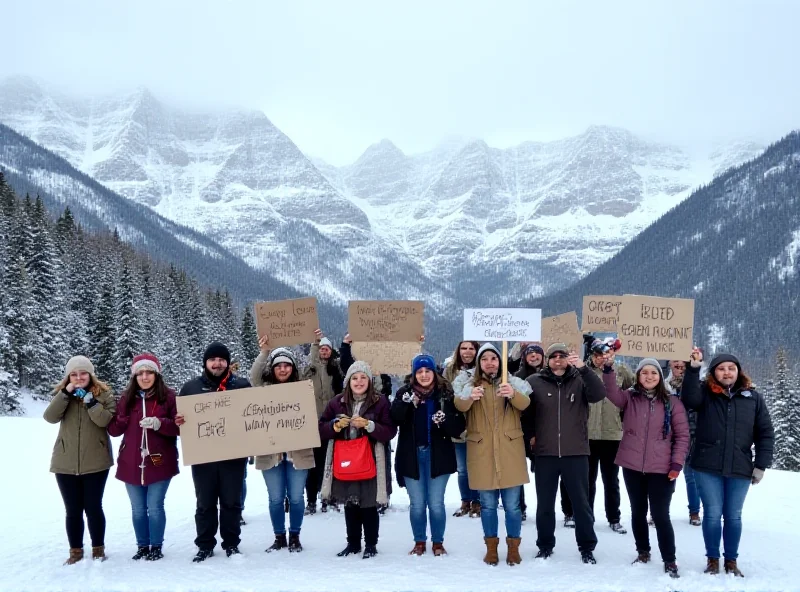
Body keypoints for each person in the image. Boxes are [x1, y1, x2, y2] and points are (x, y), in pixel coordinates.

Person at [681, 352, 774, 577]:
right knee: (712, 514)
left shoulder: (753, 398)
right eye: (721, 368)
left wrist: (761, 465)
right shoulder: (705, 393)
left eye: (731, 368)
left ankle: (731, 561)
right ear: (714, 372)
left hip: (740, 467)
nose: (727, 372)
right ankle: (713, 559)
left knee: (733, 515)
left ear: (738, 371)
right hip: (706, 466)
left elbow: (765, 433)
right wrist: (693, 369)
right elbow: (689, 399)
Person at [602, 357, 690, 578]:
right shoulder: (629, 398)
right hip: (632, 466)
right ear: (638, 376)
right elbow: (611, 393)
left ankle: (669, 559)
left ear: (660, 376)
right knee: (638, 513)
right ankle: (643, 551)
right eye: (644, 372)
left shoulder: (672, 402)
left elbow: (682, 436)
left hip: (662, 469)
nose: (649, 376)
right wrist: (608, 369)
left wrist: (676, 463)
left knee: (660, 515)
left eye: (653, 372)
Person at [525, 343, 607, 564]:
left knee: (581, 504)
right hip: (545, 453)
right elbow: (525, 413)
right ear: (547, 360)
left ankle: (587, 546)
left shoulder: (580, 380)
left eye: (562, 356)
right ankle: (544, 545)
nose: (558, 360)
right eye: (554, 356)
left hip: (576, 452)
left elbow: (599, 394)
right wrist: (530, 436)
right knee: (544, 505)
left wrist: (584, 368)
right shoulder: (534, 382)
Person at [453, 343, 532, 566]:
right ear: (479, 363)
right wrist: (470, 396)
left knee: (513, 506)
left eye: (494, 358)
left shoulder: (512, 383)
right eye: (485, 358)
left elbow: (525, 403)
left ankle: (513, 548)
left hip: (509, 450)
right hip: (482, 451)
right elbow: (459, 405)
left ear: (500, 362)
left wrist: (513, 394)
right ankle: (491, 548)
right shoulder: (469, 385)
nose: (490, 362)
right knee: (487, 505)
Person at [176, 342, 252, 562]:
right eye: (212, 360)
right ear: (205, 363)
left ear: (227, 362)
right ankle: (205, 544)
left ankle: (231, 543)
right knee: (205, 502)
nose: (217, 363)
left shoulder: (241, 385)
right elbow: (182, 424)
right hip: (203, 456)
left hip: (234, 455)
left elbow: (253, 418)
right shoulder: (190, 388)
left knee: (231, 502)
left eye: (221, 359)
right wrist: (180, 422)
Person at [319, 361, 397, 559]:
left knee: (369, 503)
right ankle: (353, 543)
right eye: (355, 378)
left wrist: (370, 425)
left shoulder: (380, 402)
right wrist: (334, 427)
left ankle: (371, 544)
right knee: (350, 502)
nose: (359, 381)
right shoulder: (336, 402)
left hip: (371, 459)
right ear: (348, 381)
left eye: (363, 377)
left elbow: (389, 431)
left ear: (369, 381)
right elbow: (321, 428)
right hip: (345, 459)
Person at [44, 355, 116, 564]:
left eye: (83, 373)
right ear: (68, 377)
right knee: (73, 510)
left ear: (90, 375)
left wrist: (91, 403)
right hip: (64, 463)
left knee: (93, 507)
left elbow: (105, 421)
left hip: (96, 461)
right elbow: (50, 417)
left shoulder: (104, 395)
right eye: (73, 374)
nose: (78, 377)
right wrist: (65, 395)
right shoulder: (62, 395)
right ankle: (75, 551)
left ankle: (98, 549)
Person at [107, 353, 179, 561]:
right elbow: (113, 431)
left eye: (149, 372)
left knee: (155, 506)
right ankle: (142, 546)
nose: (145, 377)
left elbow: (181, 428)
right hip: (131, 462)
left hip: (160, 461)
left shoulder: (169, 397)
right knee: (138, 509)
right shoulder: (126, 398)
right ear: (134, 376)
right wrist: (121, 418)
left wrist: (160, 423)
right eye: (140, 373)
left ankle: (156, 546)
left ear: (157, 375)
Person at [392, 354, 465, 556]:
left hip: (438, 455)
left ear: (434, 372)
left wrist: (444, 420)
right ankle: (419, 542)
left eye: (427, 371)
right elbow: (394, 419)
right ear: (414, 374)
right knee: (417, 504)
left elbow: (458, 427)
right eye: (419, 372)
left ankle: (438, 542)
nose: (424, 375)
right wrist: (406, 403)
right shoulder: (404, 393)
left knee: (435, 503)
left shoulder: (445, 394)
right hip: (411, 456)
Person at [250, 337, 315, 552]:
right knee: (276, 498)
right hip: (271, 454)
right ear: (273, 368)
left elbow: (313, 366)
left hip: (299, 454)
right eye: (279, 365)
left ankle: (295, 535)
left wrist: (314, 344)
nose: (283, 369)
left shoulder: (302, 388)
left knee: (296, 498)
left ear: (293, 368)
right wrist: (264, 352)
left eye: (287, 365)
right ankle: (279, 536)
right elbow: (254, 376)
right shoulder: (264, 388)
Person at [586, 338, 635, 534]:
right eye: (598, 355)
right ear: (592, 356)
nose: (602, 359)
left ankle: (614, 517)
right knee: (588, 480)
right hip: (587, 433)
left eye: (606, 354)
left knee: (611, 480)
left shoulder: (621, 371)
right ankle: (586, 516)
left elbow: (634, 390)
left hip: (612, 434)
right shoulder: (584, 373)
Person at [302, 330, 344, 515]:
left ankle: (329, 497)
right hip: (312, 421)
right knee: (313, 464)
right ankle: (311, 500)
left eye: (327, 349)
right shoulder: (309, 368)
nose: (324, 351)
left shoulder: (336, 368)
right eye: (322, 348)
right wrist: (314, 342)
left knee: (331, 462)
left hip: (332, 421)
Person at [442, 340, 481, 518]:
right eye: (464, 348)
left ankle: (478, 502)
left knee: (478, 466)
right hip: (457, 424)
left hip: (479, 423)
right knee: (463, 468)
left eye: (471, 348)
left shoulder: (482, 369)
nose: (467, 351)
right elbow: (445, 395)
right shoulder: (450, 370)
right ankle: (465, 501)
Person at [666, 359, 702, 526]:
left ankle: (694, 512)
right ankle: (659, 511)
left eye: (682, 362)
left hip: (692, 434)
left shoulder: (697, 385)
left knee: (691, 476)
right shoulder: (664, 385)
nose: (679, 365)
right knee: (665, 476)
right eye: (675, 362)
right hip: (667, 436)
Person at [515, 343, 545, 522]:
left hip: (543, 430)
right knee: (518, 473)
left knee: (543, 474)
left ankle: (545, 509)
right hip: (520, 430)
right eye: (530, 354)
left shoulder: (549, 375)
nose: (534, 357)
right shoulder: (518, 377)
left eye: (537, 354)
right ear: (524, 357)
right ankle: (519, 507)